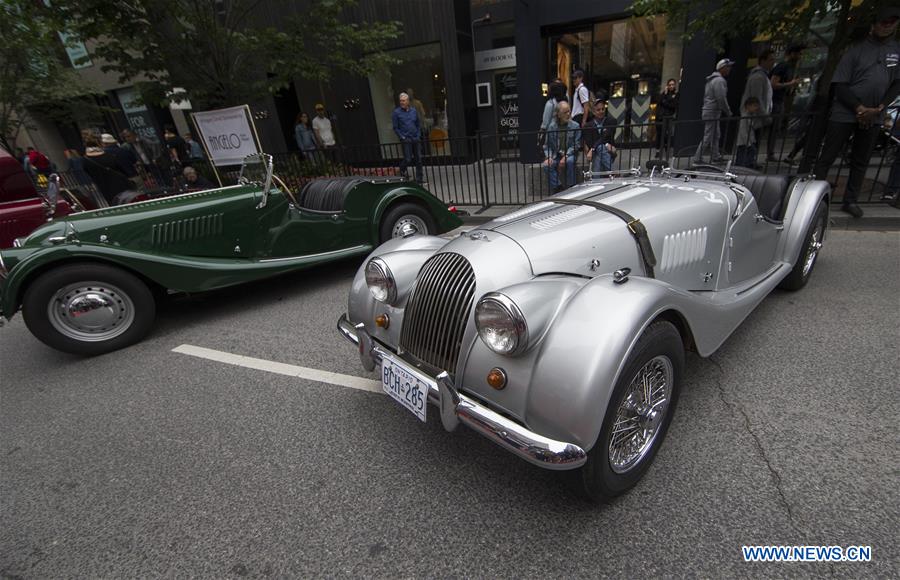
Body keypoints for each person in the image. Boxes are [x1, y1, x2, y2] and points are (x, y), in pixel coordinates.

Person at [814, 8, 900, 218]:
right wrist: (859, 108)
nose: (887, 26)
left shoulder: (896, 51)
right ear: (874, 25)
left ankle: (850, 201)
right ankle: (814, 199)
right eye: (883, 22)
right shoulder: (856, 50)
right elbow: (840, 84)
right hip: (845, 112)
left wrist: (879, 108)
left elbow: (896, 83)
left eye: (891, 22)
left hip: (875, 114)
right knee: (828, 155)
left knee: (860, 160)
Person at [767, 44, 805, 162]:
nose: (800, 56)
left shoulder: (790, 67)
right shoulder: (782, 66)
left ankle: (770, 153)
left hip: (780, 100)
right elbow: (773, 84)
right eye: (799, 53)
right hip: (775, 101)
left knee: (775, 128)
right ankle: (769, 153)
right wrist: (790, 84)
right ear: (792, 54)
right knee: (772, 128)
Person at [692, 58, 734, 165]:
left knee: (715, 134)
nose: (730, 69)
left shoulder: (712, 80)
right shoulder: (719, 81)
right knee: (709, 135)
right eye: (728, 67)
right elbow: (721, 98)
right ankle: (698, 158)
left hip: (711, 110)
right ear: (722, 68)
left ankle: (715, 156)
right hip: (712, 111)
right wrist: (728, 111)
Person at [81, 134, 133, 205]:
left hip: (106, 191)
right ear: (100, 142)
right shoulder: (109, 156)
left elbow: (89, 173)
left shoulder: (85, 160)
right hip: (122, 187)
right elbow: (122, 170)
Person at [543, 101, 581, 193]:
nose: (568, 114)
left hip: (570, 153)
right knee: (547, 165)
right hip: (556, 154)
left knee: (570, 161)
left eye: (569, 111)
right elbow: (547, 145)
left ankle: (571, 187)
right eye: (565, 112)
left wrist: (566, 156)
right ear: (558, 115)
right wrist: (549, 157)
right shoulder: (552, 127)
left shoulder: (575, 126)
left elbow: (576, 145)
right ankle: (557, 187)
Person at [392, 92, 425, 183]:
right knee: (408, 159)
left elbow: (418, 124)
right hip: (406, 139)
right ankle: (401, 171)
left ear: (408, 101)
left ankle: (419, 179)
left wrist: (418, 135)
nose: (401, 102)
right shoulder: (396, 113)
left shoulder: (413, 111)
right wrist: (402, 137)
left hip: (415, 138)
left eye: (403, 101)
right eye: (400, 101)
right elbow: (395, 127)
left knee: (419, 159)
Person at [583, 97, 617, 173]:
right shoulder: (588, 126)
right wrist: (605, 144)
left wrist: (593, 149)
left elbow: (606, 136)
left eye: (603, 109)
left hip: (609, 151)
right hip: (594, 153)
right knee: (599, 151)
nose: (601, 111)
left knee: (600, 149)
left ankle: (596, 181)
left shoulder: (611, 121)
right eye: (598, 110)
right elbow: (590, 142)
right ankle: (612, 173)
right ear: (593, 112)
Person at [735, 97, 763, 168]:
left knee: (750, 152)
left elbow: (754, 126)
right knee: (744, 155)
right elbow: (743, 130)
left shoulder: (750, 116)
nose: (756, 108)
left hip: (749, 140)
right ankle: (744, 166)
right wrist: (748, 143)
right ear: (748, 106)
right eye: (754, 106)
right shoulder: (744, 117)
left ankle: (748, 164)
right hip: (744, 141)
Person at [540, 79, 567, 145]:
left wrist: (540, 135)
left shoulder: (550, 103)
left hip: (552, 132)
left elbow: (545, 122)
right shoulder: (565, 101)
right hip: (564, 130)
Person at [656, 79, 679, 156]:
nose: (671, 86)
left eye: (673, 84)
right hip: (660, 117)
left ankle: (667, 150)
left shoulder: (676, 94)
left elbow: (672, 105)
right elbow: (659, 101)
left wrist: (665, 102)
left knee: (667, 135)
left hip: (668, 117)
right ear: (667, 86)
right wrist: (665, 95)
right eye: (670, 85)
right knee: (659, 134)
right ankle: (658, 151)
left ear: (675, 85)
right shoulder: (665, 93)